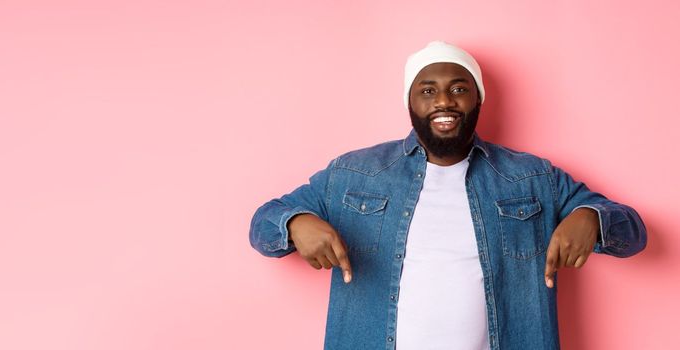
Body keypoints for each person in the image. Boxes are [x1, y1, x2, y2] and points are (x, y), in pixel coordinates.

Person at [248, 41, 647, 350]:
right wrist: (296, 222)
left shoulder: (532, 177)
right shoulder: (355, 173)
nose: (443, 101)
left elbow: (634, 234)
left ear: (478, 99)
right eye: (428, 90)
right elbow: (264, 224)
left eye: (458, 88)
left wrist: (592, 218)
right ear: (410, 101)